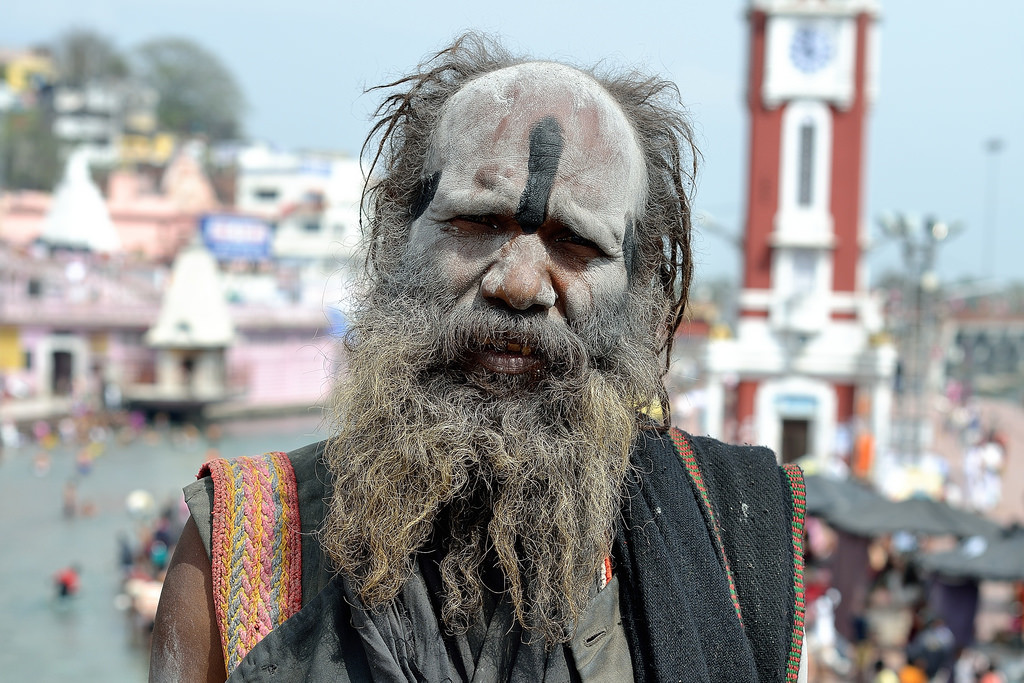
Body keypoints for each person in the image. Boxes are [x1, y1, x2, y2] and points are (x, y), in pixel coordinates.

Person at [150, 34, 807, 682]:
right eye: (477, 224)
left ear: (639, 289)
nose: (519, 284)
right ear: (395, 240)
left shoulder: (741, 536)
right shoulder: (242, 540)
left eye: (575, 243)